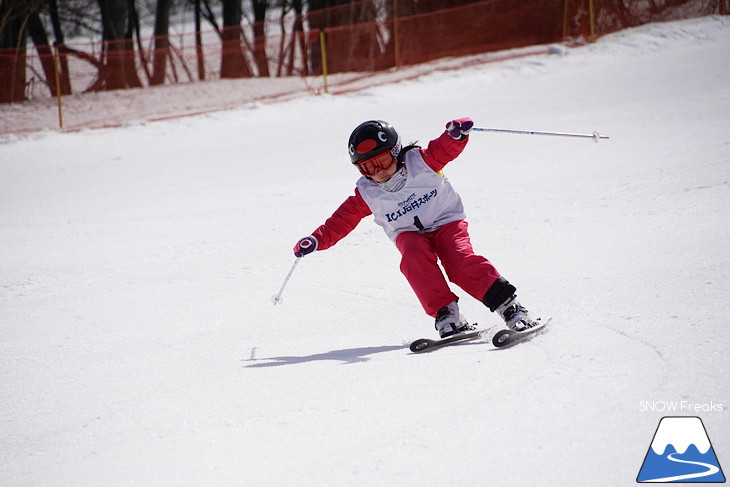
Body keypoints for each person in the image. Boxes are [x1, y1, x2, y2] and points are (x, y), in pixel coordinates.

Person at [293, 118, 539, 338]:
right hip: (408, 233)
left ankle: (509, 306)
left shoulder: (421, 161)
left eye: (382, 161)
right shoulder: (367, 192)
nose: (378, 172)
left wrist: (456, 136)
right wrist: (316, 240)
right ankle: (447, 314)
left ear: (396, 152)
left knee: (459, 260)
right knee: (413, 257)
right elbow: (341, 220)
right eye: (368, 167)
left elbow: (443, 149)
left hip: (446, 222)